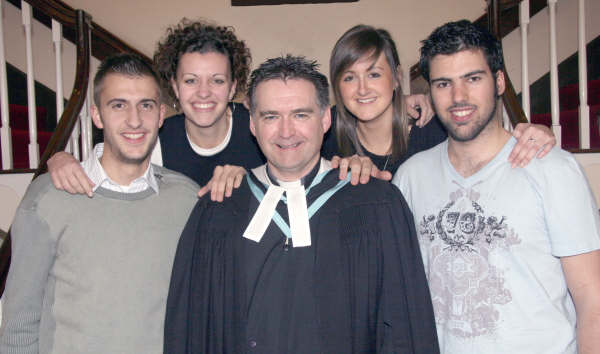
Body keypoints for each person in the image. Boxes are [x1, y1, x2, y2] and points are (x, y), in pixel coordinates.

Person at [164, 55, 439, 353]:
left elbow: (404, 328)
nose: (286, 132)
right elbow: (190, 330)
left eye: (300, 115)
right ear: (253, 125)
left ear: (325, 119)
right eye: (270, 116)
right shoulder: (218, 209)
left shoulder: (376, 204)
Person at [393, 20, 600, 354]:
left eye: (473, 79)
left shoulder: (553, 170)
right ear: (429, 91)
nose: (458, 96)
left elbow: (594, 301)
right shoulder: (411, 177)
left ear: (499, 81)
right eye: (443, 83)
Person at [47, 19, 428, 200]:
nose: (203, 93)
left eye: (216, 80)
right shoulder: (158, 133)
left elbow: (324, 156)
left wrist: (401, 102)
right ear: (174, 88)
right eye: (191, 80)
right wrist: (62, 160)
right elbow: (114, 164)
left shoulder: (267, 127)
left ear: (233, 88)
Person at [0, 54, 199, 353]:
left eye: (145, 105)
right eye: (118, 105)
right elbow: (20, 320)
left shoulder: (186, 199)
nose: (134, 120)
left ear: (160, 115)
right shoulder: (49, 198)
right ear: (97, 115)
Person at [324, 24, 557, 175]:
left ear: (396, 77)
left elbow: (485, 142)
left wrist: (536, 134)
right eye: (349, 78)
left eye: (374, 74)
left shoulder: (434, 129)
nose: (362, 89)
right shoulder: (326, 131)